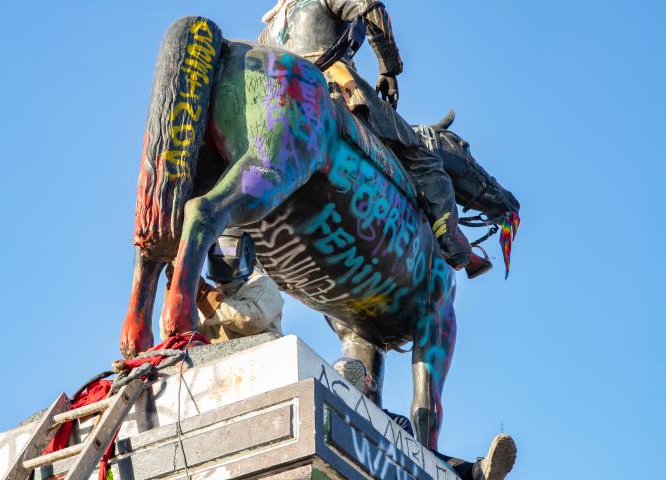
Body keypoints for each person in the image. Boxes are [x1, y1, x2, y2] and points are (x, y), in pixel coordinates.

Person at [259, 0, 488, 272]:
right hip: (332, 83)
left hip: (273, 102)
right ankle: (450, 239)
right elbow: (370, 9)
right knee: (420, 153)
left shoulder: (269, 27)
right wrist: (389, 68)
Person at [334, 357, 517, 480]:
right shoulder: (395, 422)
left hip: (388, 459)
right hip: (364, 456)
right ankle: (475, 471)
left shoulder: (397, 422)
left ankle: (478, 470)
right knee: (419, 451)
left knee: (421, 452)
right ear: (367, 380)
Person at [165, 228, 284, 344]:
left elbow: (251, 320)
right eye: (218, 250)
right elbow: (170, 334)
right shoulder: (199, 301)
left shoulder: (262, 284)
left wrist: (203, 293)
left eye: (229, 250)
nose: (222, 257)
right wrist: (176, 289)